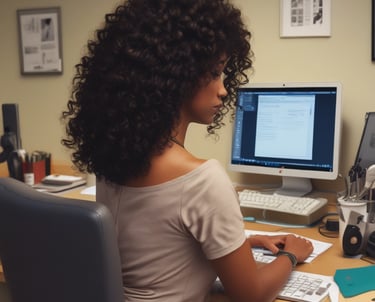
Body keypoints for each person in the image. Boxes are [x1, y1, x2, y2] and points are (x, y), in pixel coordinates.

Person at [61, 0, 313, 301]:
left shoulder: (111, 160)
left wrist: (240, 243)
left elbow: (158, 250)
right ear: (178, 75)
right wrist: (292, 256)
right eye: (216, 72)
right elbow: (251, 295)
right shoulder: (201, 180)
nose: (223, 89)